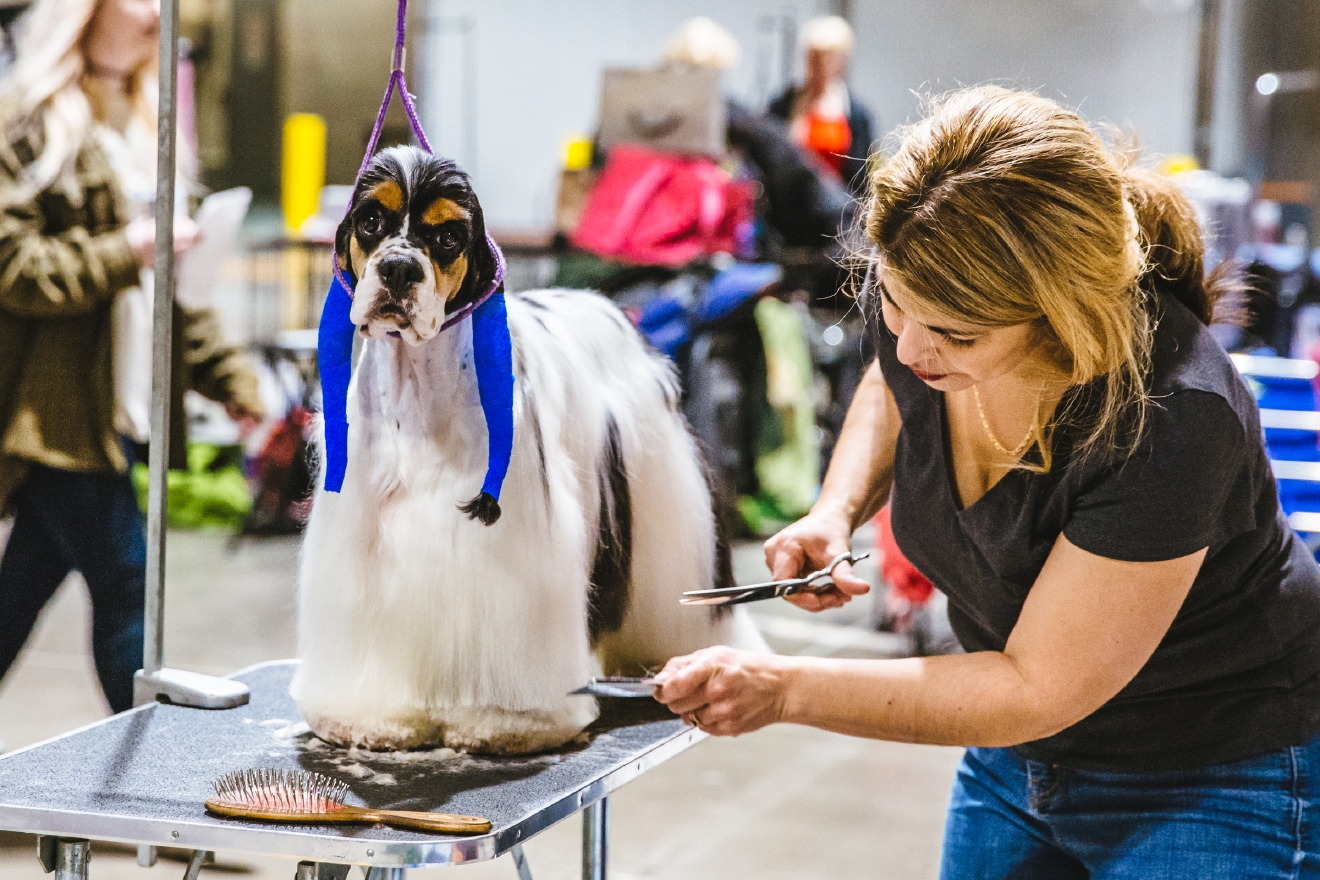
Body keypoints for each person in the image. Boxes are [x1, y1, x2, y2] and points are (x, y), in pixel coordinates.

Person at [654, 86, 1320, 876]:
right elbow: (889, 386)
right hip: (1015, 755)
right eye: (896, 307)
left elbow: (1036, 684)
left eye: (955, 335)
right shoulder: (926, 285)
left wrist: (783, 688)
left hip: (1211, 765)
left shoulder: (1172, 415)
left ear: (1062, 316)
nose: (909, 351)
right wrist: (834, 513)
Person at [0, 0, 264, 714]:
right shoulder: (24, 118)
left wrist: (229, 378)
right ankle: (155, 787)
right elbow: (14, 266)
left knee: (19, 591)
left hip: (123, 404)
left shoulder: (153, 120)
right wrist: (128, 250)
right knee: (127, 581)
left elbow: (172, 292)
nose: (157, 13)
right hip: (55, 415)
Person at [768, 15, 874, 197]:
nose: (818, 64)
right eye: (812, 56)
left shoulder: (856, 115)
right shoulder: (784, 104)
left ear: (840, 60)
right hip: (790, 207)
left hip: (836, 210)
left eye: (826, 57)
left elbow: (861, 177)